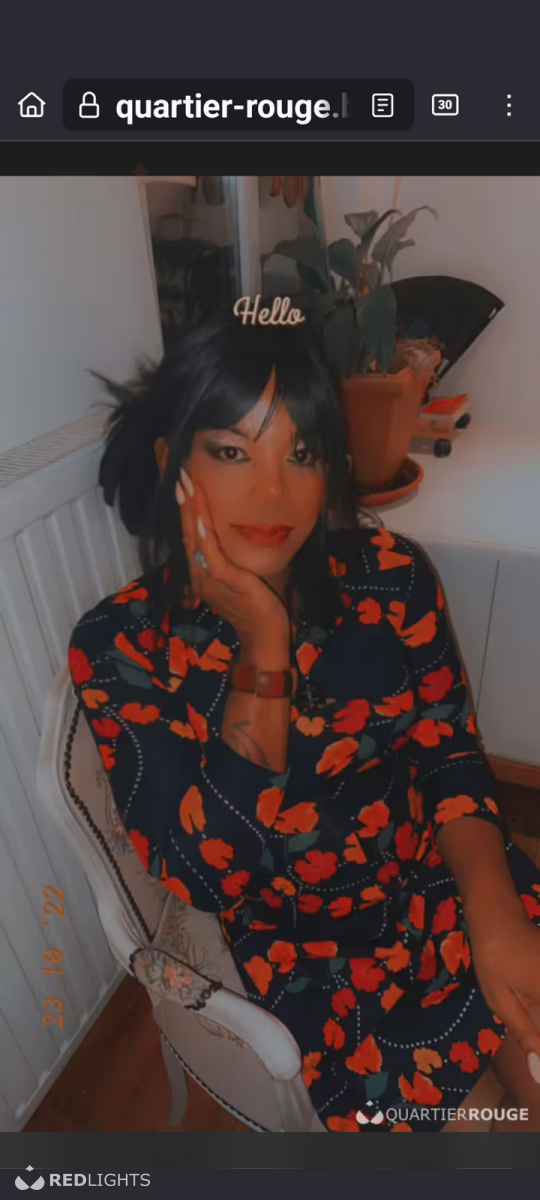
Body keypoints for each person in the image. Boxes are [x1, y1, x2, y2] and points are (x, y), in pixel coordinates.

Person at [68, 312, 540, 1133]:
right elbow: (209, 874)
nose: (273, 493)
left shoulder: (390, 576)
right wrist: (264, 644)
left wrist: (492, 908)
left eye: (302, 453)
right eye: (232, 452)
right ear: (171, 463)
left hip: (445, 874)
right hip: (314, 960)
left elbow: (447, 752)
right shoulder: (122, 647)